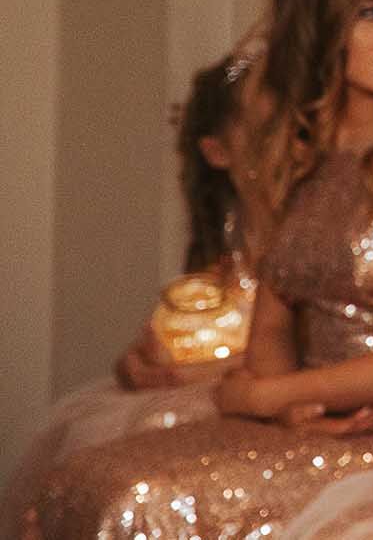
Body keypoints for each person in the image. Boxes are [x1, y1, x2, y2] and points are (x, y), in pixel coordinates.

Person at [32, 0, 373, 540]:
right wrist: (295, 406)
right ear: (320, 20)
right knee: (77, 478)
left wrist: (266, 398)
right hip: (315, 419)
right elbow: (273, 327)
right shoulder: (303, 150)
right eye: (371, 12)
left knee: (138, 502)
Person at [6, 42, 276, 530]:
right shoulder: (225, 244)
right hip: (205, 384)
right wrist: (139, 362)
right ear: (217, 151)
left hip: (253, 390)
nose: (280, 145)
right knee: (85, 454)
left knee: (151, 448)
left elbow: (305, 347)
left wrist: (201, 377)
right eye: (261, 132)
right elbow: (185, 330)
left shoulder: (307, 234)